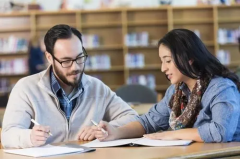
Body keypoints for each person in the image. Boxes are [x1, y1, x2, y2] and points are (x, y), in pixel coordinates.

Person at [1, 24, 138, 148]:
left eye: (80, 58)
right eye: (66, 61)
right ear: (49, 58)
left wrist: (108, 128)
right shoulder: (25, 88)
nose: (75, 67)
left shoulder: (97, 88)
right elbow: (7, 135)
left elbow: (133, 118)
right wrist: (29, 137)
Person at [94, 29, 240, 143]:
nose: (163, 68)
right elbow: (149, 122)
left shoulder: (221, 88)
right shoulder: (176, 92)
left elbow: (221, 132)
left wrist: (173, 135)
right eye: (162, 61)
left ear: (189, 59)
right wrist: (116, 132)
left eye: (168, 61)